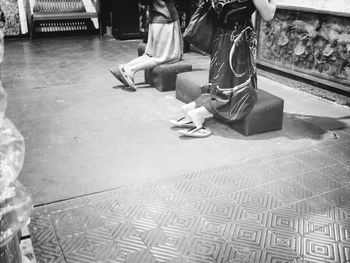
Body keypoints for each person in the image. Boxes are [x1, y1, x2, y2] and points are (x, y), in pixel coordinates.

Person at [170, 0, 276, 137]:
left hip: (221, 34)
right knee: (240, 93)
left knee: (221, 83)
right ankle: (199, 113)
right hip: (239, 37)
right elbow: (268, 15)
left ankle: (192, 107)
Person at [110, 0, 183, 91]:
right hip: (165, 19)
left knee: (151, 55)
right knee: (165, 57)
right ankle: (131, 70)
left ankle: (124, 67)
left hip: (155, 20)